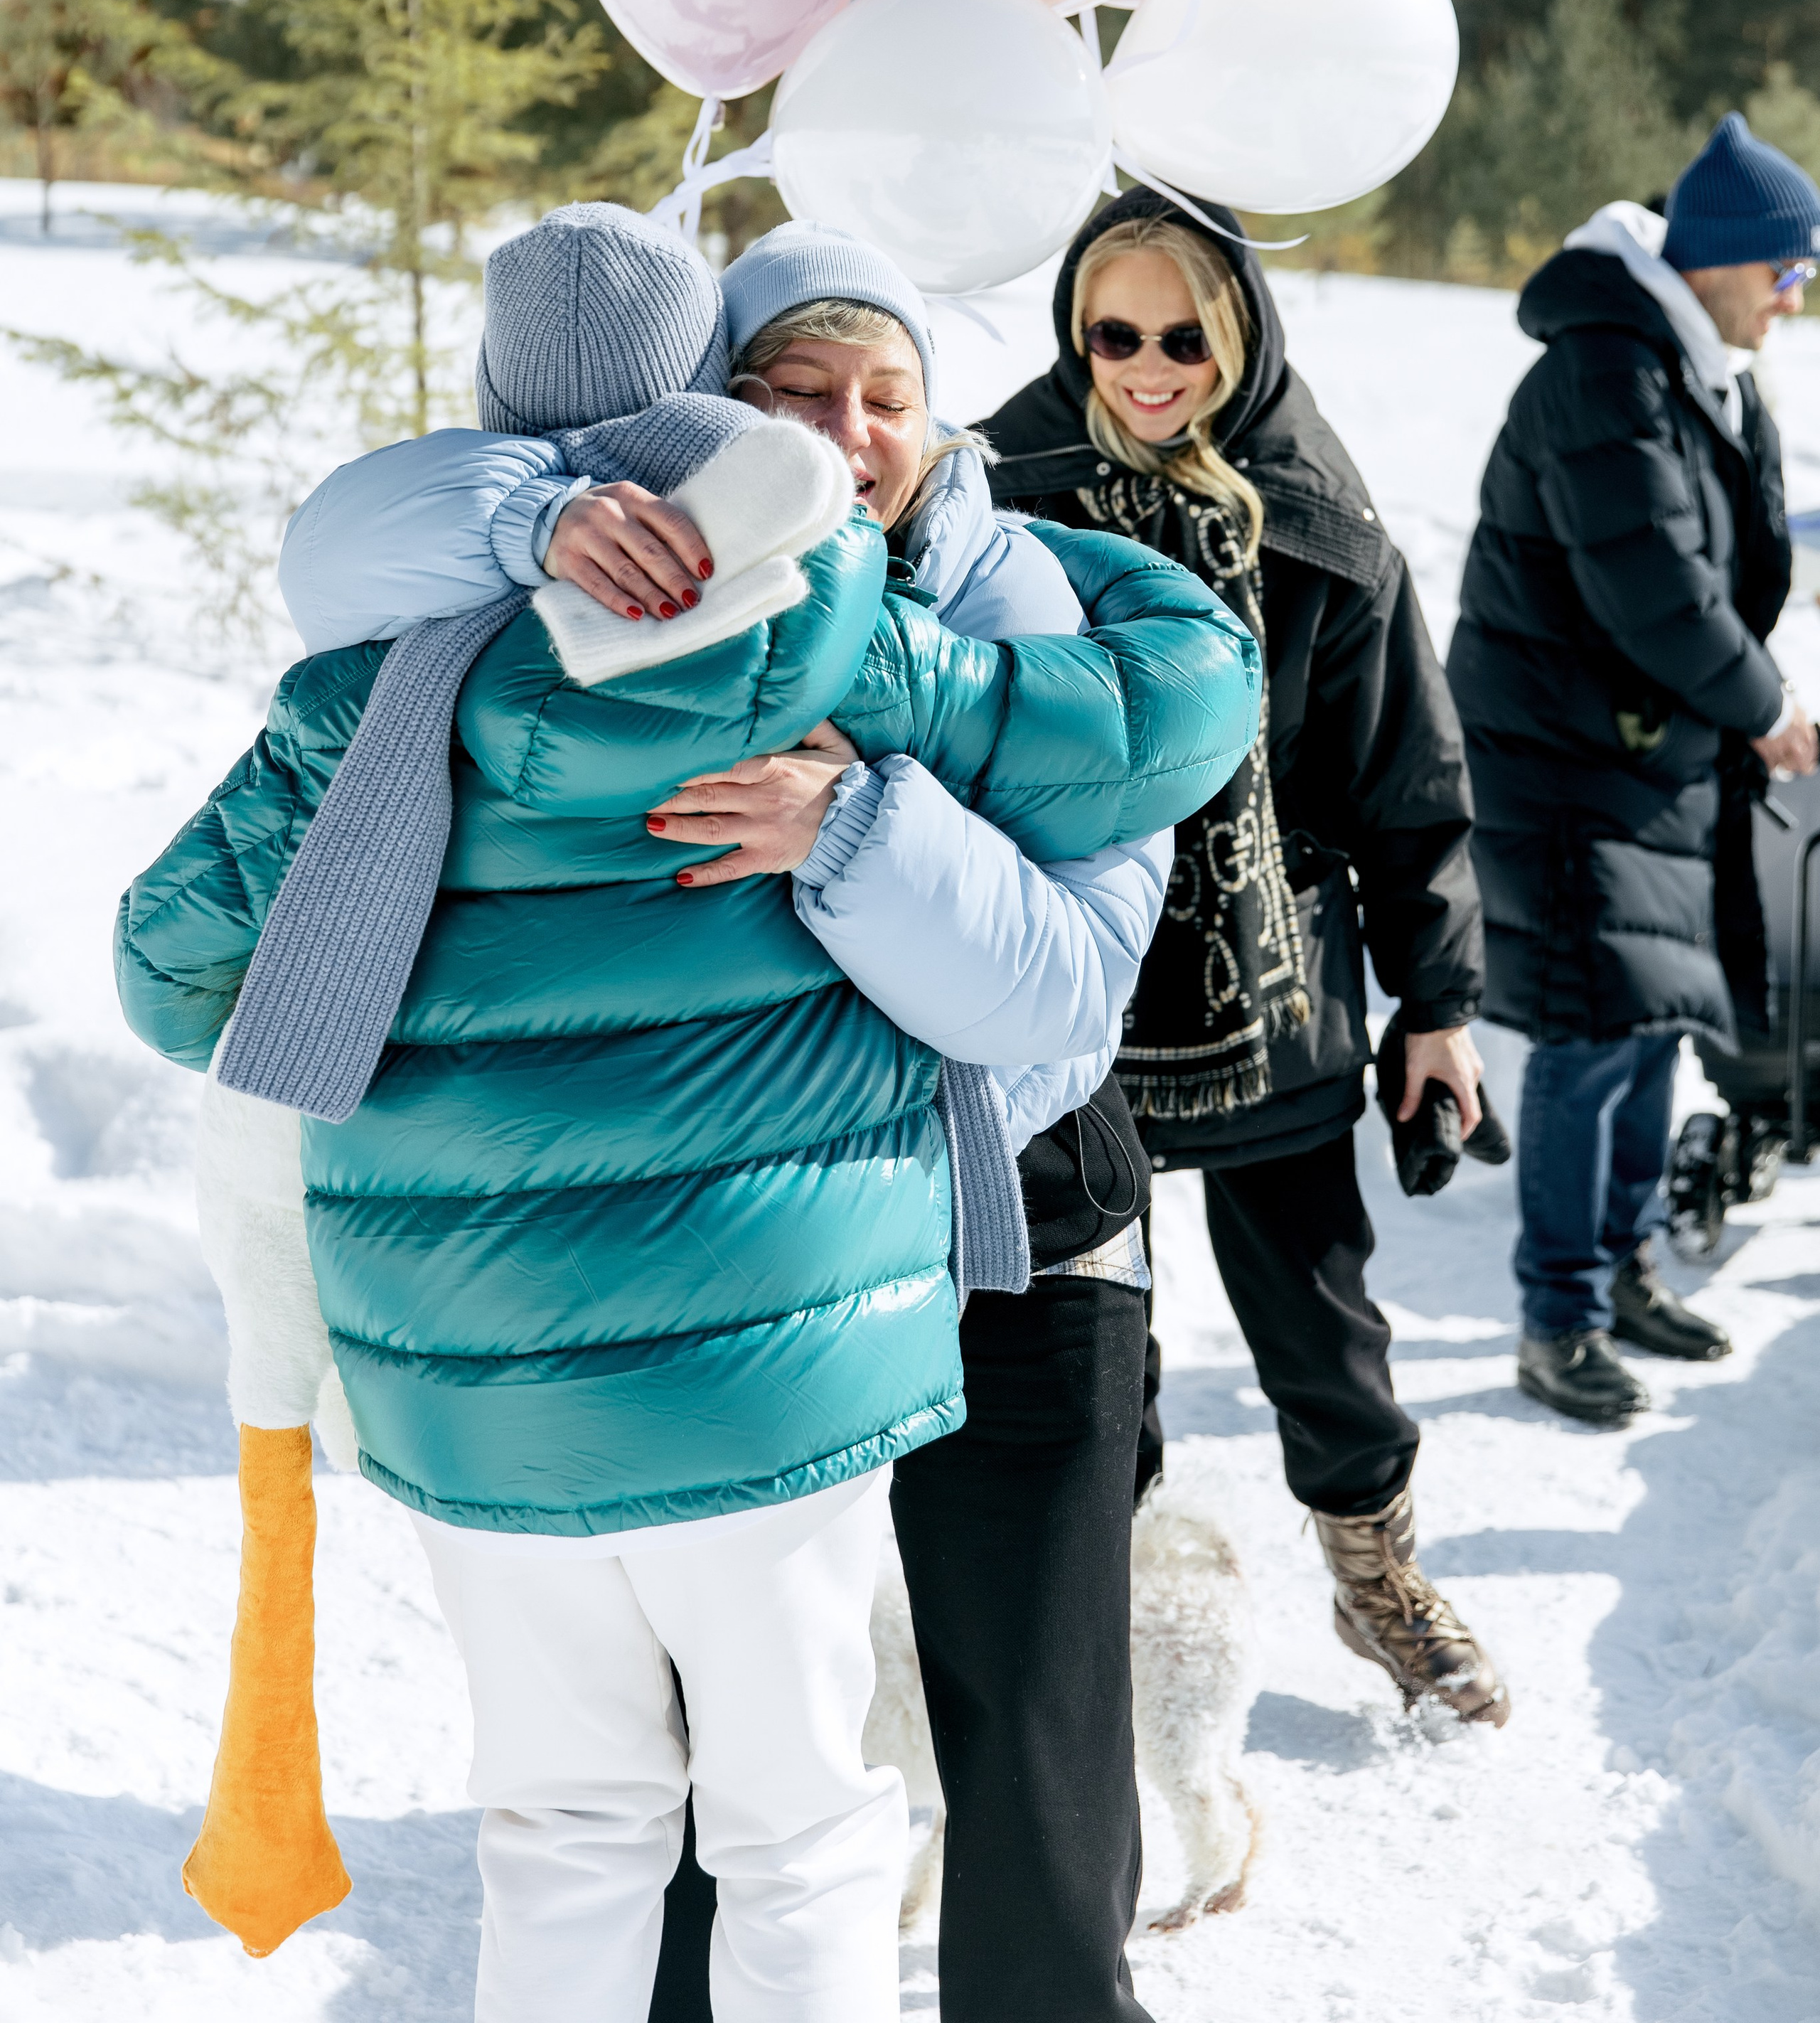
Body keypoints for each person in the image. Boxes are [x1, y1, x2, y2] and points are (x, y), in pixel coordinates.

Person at [119, 209, 1255, 2023]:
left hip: (991, 1240)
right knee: (760, 1809)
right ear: (697, 423)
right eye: (790, 387)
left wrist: (855, 838)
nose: (842, 428)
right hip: (782, 1283)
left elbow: (1052, 1007)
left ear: (939, 424)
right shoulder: (711, 616)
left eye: (884, 392)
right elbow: (351, 536)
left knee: (964, 1780)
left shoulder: (1009, 598)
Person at [980, 188, 1509, 1728]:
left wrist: (1440, 1003)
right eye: (1112, 335)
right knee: (1090, 1328)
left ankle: (1373, 1576)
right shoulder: (999, 486)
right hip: (1067, 978)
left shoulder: (1314, 513)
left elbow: (1401, 775)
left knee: (1320, 1321)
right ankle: (1110, 1612)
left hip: (1272, 989)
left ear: (1242, 338)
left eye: (1183, 340)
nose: (1146, 370)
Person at [1448, 114, 1819, 1427]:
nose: (1798, 293)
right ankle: (1559, 1317)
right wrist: (1766, 706)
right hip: (1568, 757)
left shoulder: (1690, 365)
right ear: (1723, 261)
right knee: (1592, 1032)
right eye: (1789, 268)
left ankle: (1624, 1265)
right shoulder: (1608, 372)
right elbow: (1654, 586)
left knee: (1655, 1016)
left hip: (1645, 752)